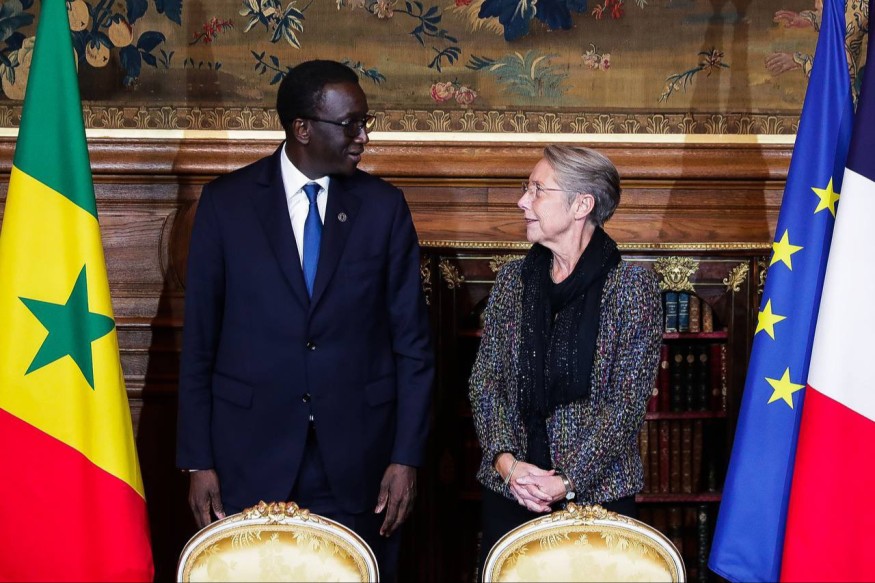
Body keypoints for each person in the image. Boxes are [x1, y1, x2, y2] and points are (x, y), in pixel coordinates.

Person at [175, 59, 434, 581]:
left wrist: (406, 458)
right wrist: (198, 461)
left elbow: (413, 347)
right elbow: (200, 343)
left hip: (359, 465)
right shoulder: (226, 205)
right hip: (249, 459)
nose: (363, 137)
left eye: (365, 122)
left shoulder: (383, 208)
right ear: (302, 128)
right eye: (350, 124)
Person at [468, 145, 662, 574]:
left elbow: (626, 406)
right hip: (511, 491)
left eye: (537, 190)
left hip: (598, 498)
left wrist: (566, 480)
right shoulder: (512, 281)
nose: (522, 201)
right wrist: (508, 465)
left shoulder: (632, 289)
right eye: (526, 189)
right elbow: (486, 383)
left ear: (581, 205)